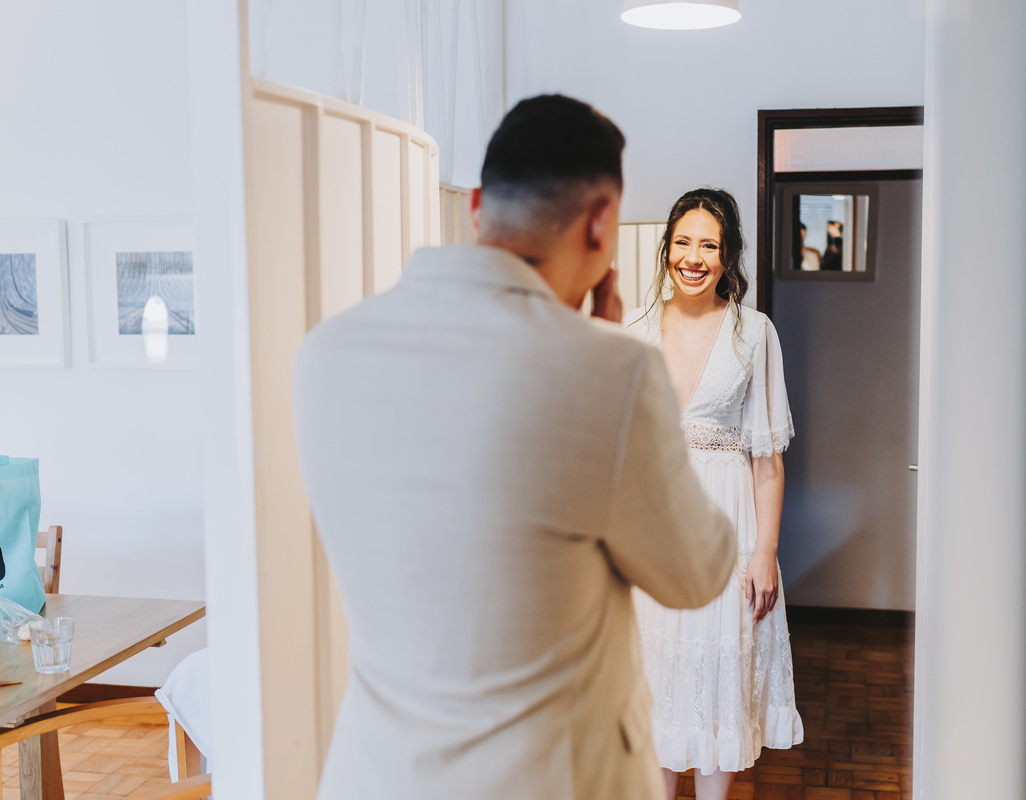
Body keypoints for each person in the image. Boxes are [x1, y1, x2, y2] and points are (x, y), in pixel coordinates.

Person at [293, 95, 737, 800]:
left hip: (375, 774)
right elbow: (698, 572)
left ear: (476, 206)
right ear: (599, 224)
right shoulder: (609, 372)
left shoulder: (325, 354)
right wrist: (606, 344)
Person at [625, 188, 804, 800]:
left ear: (728, 257)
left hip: (728, 538)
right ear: (666, 248)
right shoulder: (637, 328)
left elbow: (768, 463)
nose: (693, 257)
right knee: (655, 695)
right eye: (682, 243)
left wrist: (765, 555)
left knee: (714, 692)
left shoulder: (752, 334)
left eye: (708, 245)